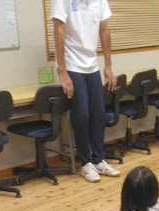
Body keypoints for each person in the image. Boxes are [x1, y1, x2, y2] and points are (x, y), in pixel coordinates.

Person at [51, 0, 120, 183]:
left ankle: (98, 159)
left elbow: (104, 30)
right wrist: (62, 72)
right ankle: (86, 163)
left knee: (98, 114)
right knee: (82, 114)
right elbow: (58, 31)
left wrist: (108, 66)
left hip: (92, 65)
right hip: (72, 65)